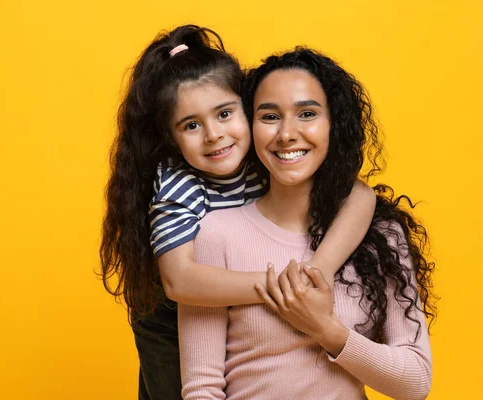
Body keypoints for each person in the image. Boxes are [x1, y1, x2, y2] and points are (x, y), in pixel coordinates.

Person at [100, 26, 376, 399]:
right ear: (171, 137)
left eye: (225, 113)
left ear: (248, 111)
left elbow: (359, 196)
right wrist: (286, 288)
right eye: (192, 125)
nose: (214, 135)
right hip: (171, 321)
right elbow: (179, 281)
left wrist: (318, 271)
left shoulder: (263, 157)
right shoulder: (178, 185)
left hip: (234, 311)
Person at [178, 47, 436, 400]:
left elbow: (415, 382)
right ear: (249, 127)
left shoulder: (378, 235)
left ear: (334, 124)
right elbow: (201, 389)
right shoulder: (217, 234)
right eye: (269, 117)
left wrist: (325, 328)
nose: (287, 134)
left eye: (307, 114)